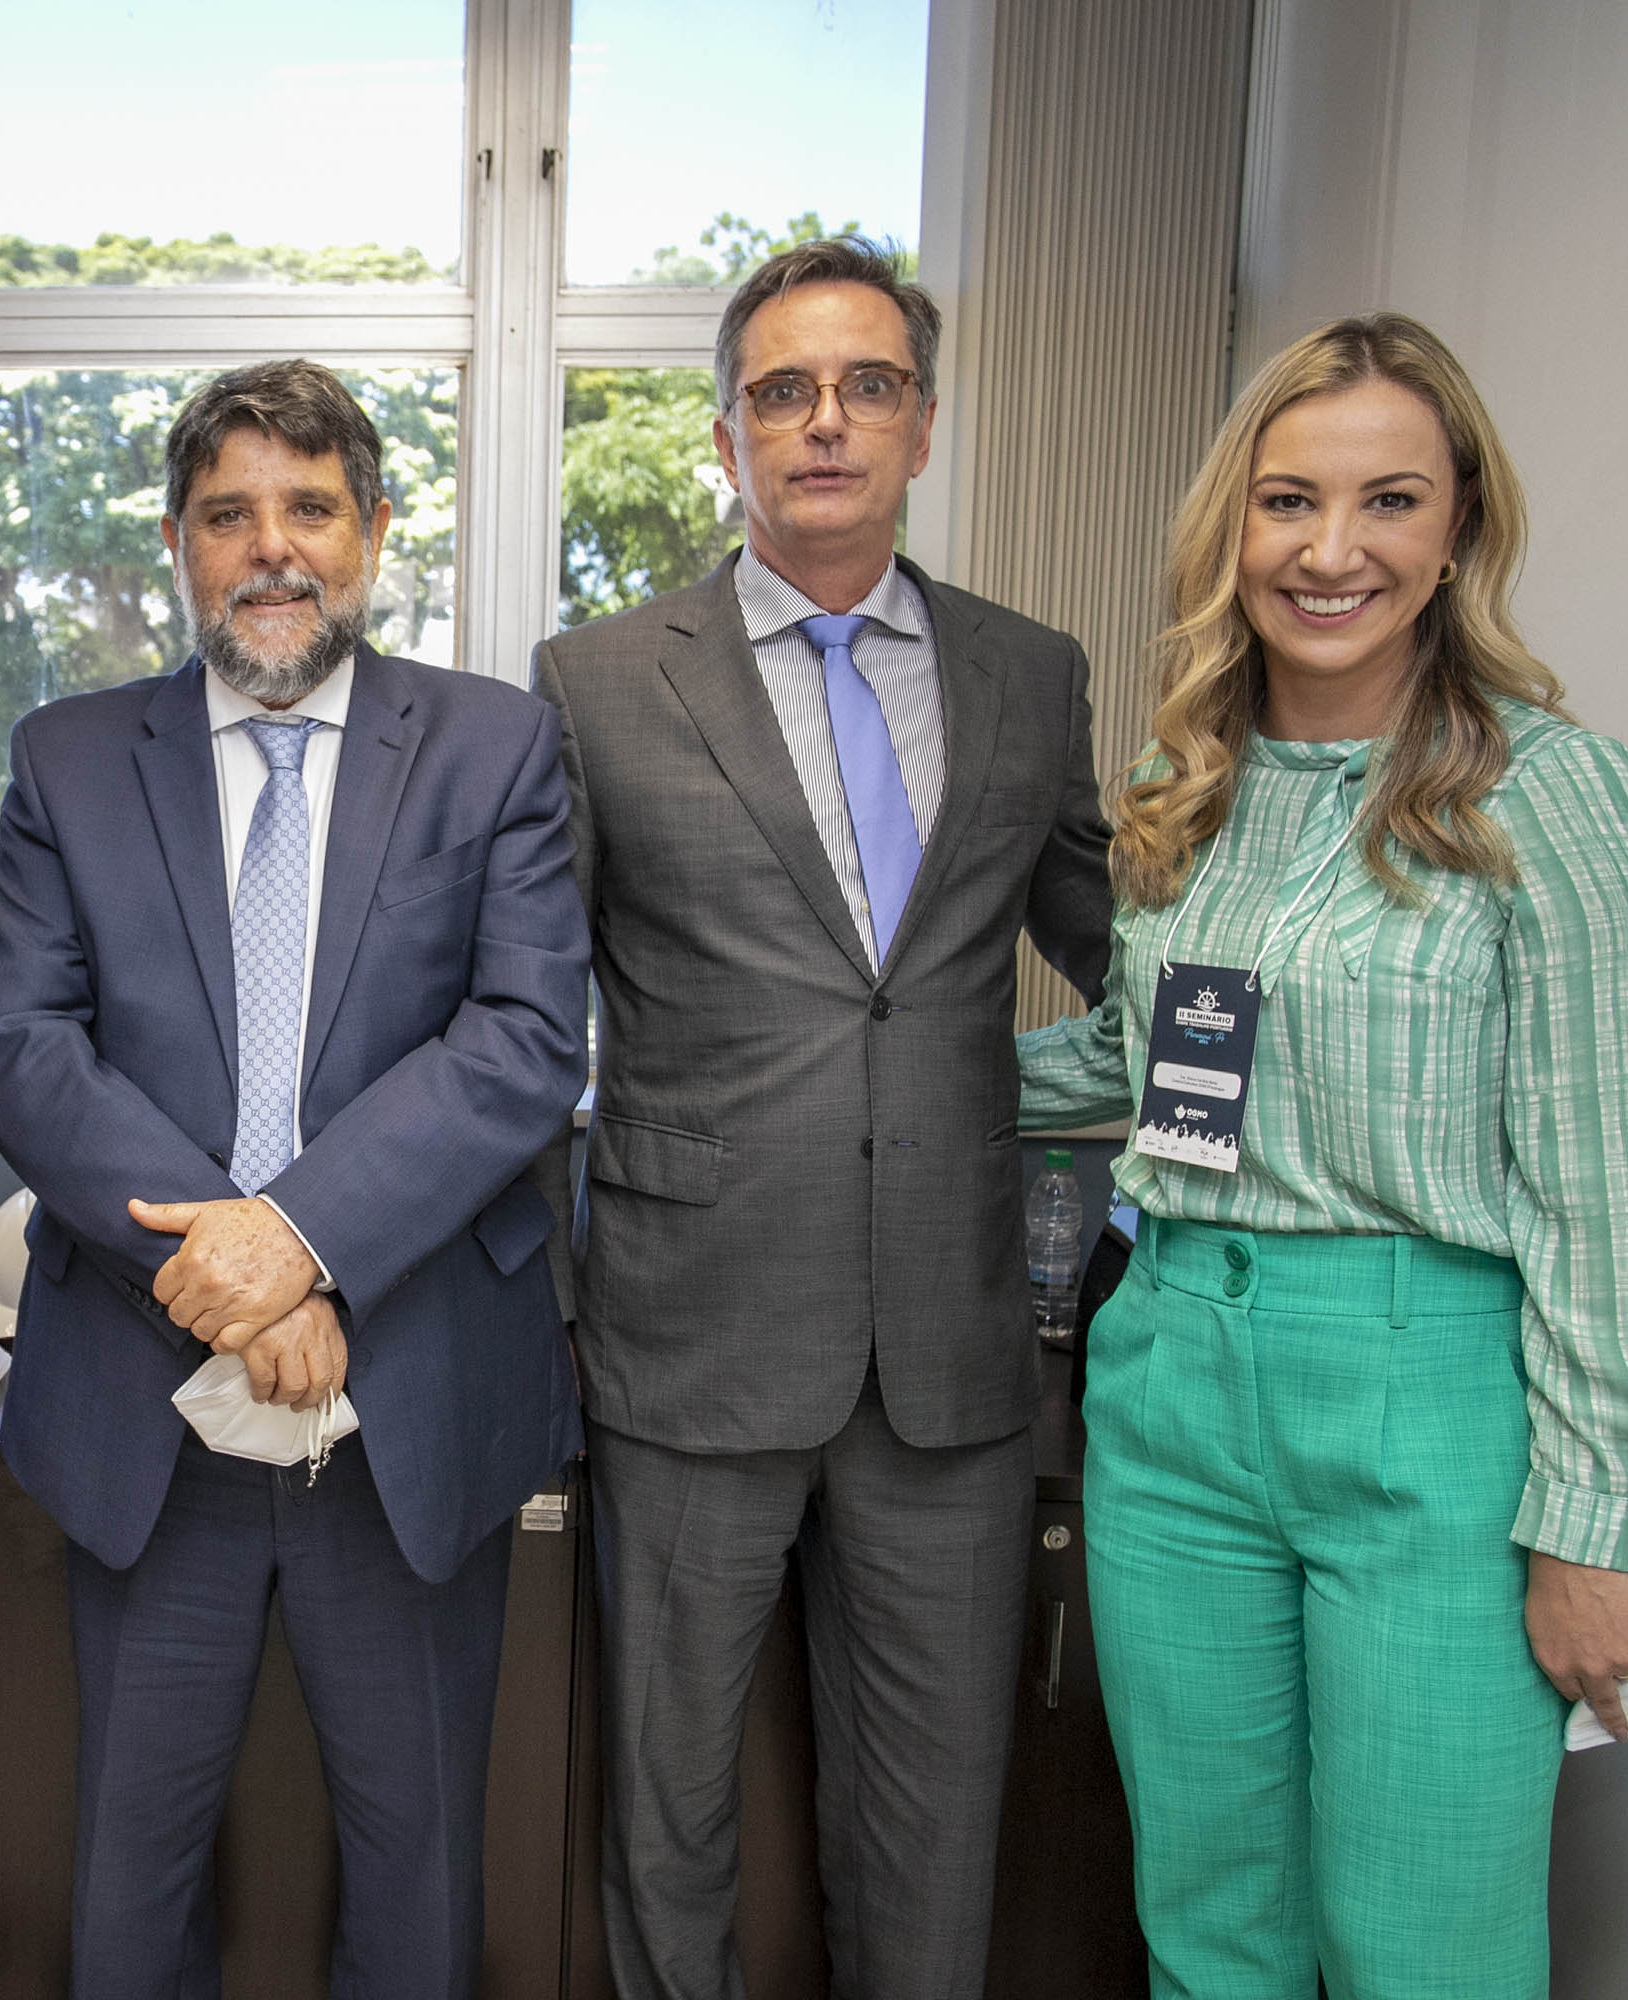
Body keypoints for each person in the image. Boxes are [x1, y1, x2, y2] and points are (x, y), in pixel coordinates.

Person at [1017, 312, 1628, 1998]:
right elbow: (1141, 1061)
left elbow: (1619, 1196)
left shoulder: (1555, 797)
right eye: (1288, 502)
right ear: (1231, 531)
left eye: (1388, 501)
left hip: (1430, 1407)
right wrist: (853, 1064)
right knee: (1208, 1934)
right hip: (1170, 1385)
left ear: (1458, 530)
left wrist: (1595, 1525)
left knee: (1421, 1953)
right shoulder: (1187, 786)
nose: (1331, 552)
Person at [0, 359, 590, 1997]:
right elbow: (20, 1042)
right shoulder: (71, 757)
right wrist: (237, 1280)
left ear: (371, 530)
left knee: (419, 1883)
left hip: (409, 1410)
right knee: (130, 1889)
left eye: (309, 508)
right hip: (145, 1415)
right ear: (178, 542)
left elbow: (526, 1038)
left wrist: (303, 1241)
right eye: (229, 514)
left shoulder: (495, 746)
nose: (272, 547)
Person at [532, 236, 1113, 1998]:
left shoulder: (1030, 674)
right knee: (668, 1813)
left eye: (868, 385)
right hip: (687, 1337)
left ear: (924, 424)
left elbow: (1123, 946)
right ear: (728, 439)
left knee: (937, 1824)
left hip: (949, 1345)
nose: (827, 422)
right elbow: (523, 1016)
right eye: (782, 391)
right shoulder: (598, 680)